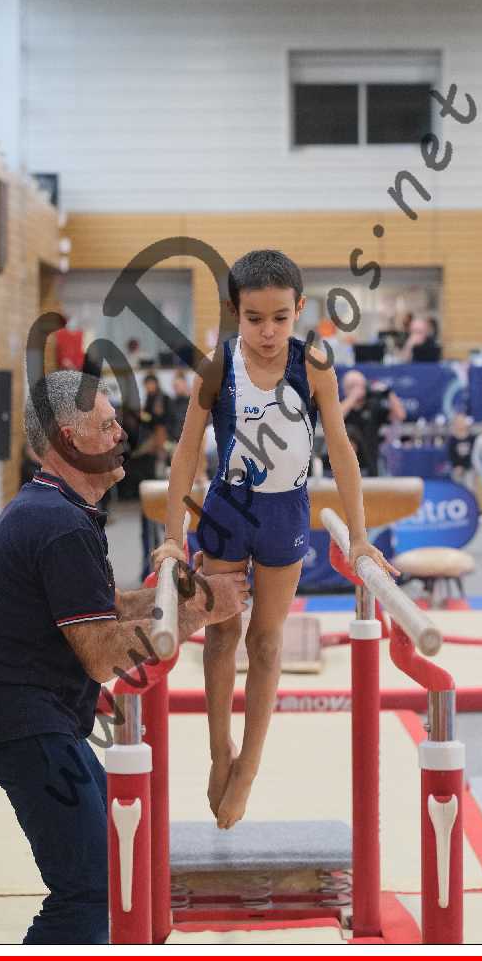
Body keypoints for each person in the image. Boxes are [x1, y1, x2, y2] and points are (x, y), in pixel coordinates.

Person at [0, 370, 249, 944]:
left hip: (25, 717)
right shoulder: (58, 524)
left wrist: (184, 593)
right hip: (19, 723)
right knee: (89, 887)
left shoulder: (54, 507)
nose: (121, 435)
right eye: (108, 426)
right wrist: (204, 611)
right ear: (70, 441)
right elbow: (104, 656)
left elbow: (105, 606)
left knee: (111, 855)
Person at [151, 249, 397, 831]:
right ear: (235, 312)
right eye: (254, 318)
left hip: (285, 511)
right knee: (221, 634)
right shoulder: (218, 366)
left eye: (280, 319)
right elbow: (187, 451)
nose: (267, 332)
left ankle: (250, 766)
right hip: (227, 509)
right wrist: (172, 538)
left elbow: (341, 450)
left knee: (264, 641)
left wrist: (360, 537)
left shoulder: (312, 364)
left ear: (300, 310)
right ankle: (220, 749)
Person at [339, 369, 406, 477]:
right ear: (346, 389)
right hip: (347, 463)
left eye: (361, 385)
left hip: (371, 459)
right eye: (353, 386)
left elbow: (400, 415)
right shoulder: (341, 405)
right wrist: (353, 397)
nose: (359, 389)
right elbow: (335, 419)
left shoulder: (373, 405)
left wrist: (389, 393)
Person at [447, 413, 475, 491]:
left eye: (462, 421)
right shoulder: (452, 440)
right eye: (458, 422)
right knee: (457, 489)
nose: (460, 424)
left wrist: (465, 466)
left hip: (469, 468)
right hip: (456, 469)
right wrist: (457, 466)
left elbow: (473, 455)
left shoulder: (472, 438)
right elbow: (451, 455)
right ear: (455, 424)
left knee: (469, 488)